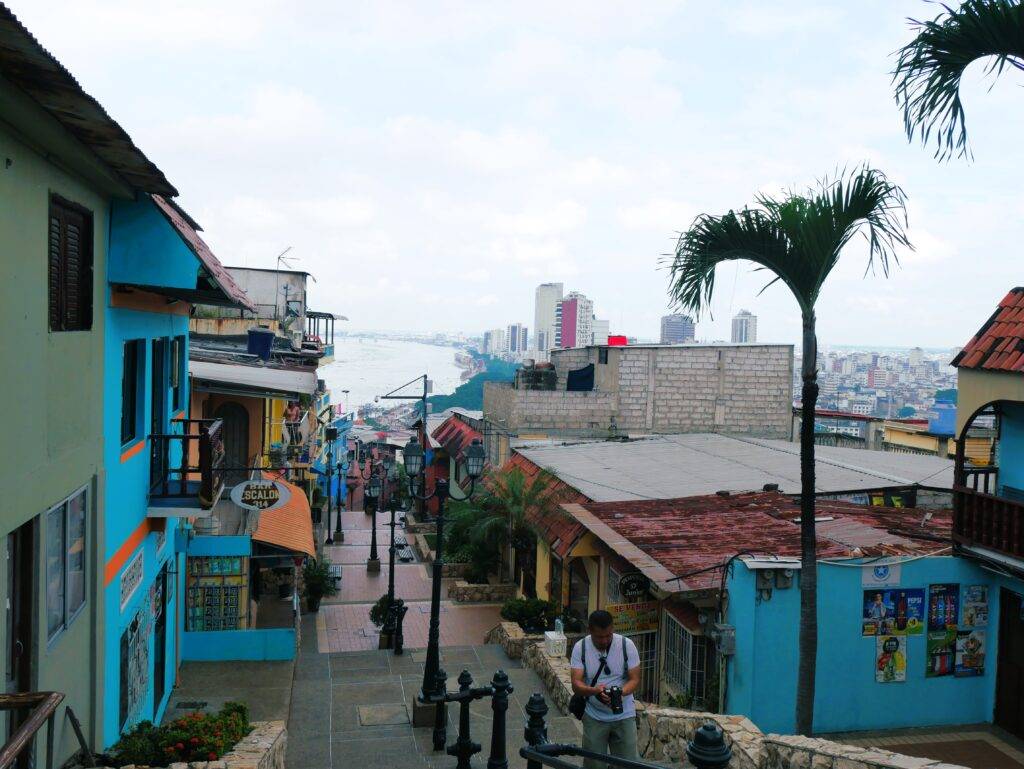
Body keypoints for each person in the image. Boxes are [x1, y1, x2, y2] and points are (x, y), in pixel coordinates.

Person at [570, 610, 642, 769]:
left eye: (608, 635)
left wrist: (620, 692)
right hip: (594, 716)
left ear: (613, 629)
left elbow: (635, 679)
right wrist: (595, 691)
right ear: (590, 631)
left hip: (624, 714)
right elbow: (576, 683)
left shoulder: (626, 645)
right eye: (599, 637)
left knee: (628, 764)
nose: (604, 641)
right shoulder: (580, 648)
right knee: (593, 765)